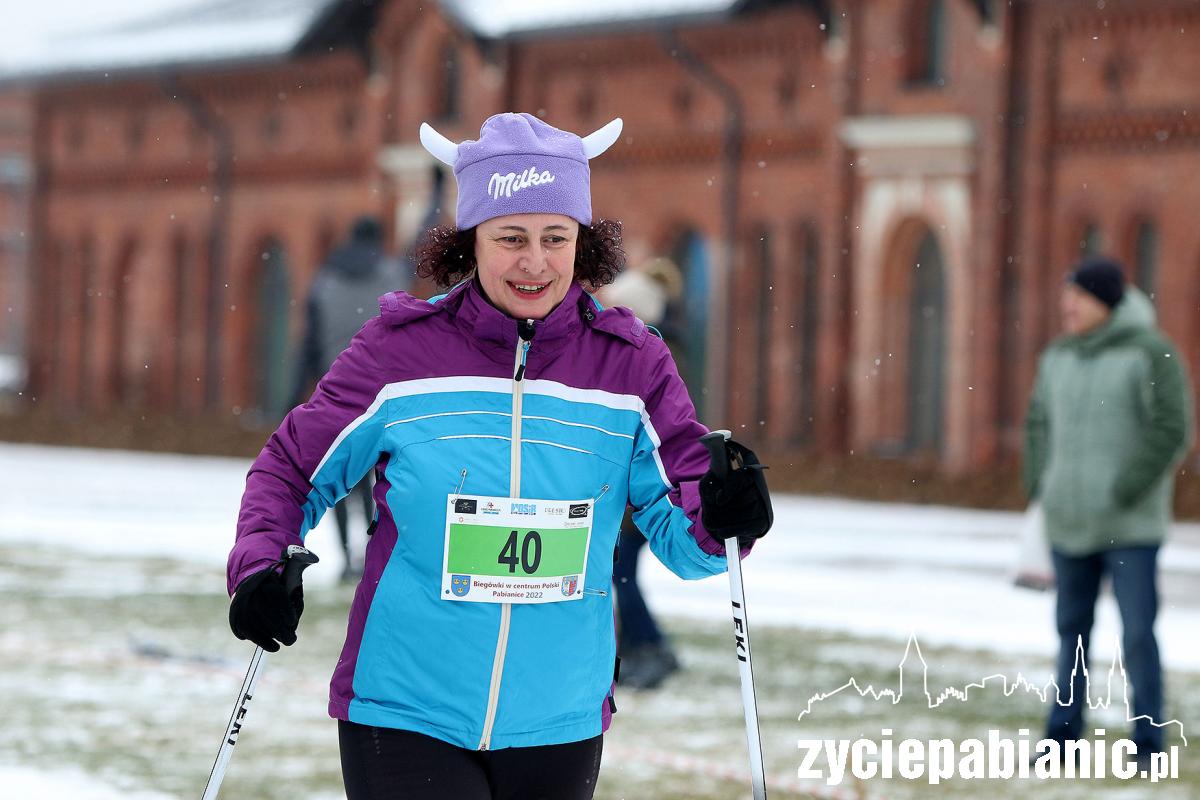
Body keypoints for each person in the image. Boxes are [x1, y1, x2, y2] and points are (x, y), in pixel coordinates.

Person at [225, 112, 773, 799]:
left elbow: (691, 540)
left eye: (555, 238)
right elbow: (291, 468)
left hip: (560, 716)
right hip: (406, 706)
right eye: (510, 237)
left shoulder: (632, 366)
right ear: (470, 241)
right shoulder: (400, 354)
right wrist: (260, 564)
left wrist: (730, 517)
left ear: (584, 243)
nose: (535, 261)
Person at [1024, 257, 1193, 765]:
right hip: (1068, 522)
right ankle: (1062, 738)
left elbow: (1172, 428)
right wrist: (1039, 485)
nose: (1066, 305)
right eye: (1065, 295)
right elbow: (1036, 423)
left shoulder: (1152, 353)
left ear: (1107, 301)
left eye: (1078, 295)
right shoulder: (1058, 356)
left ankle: (1147, 743)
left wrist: (1126, 488)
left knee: (1138, 633)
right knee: (1070, 635)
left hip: (1130, 525)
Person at [292, 216, 406, 581]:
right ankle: (370, 555)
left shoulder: (324, 280)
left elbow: (307, 345)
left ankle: (344, 556)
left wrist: (294, 398)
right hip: (383, 396)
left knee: (340, 479)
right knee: (378, 481)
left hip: (336, 393)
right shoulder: (392, 275)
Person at [600, 259, 686, 689]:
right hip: (631, 493)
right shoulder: (652, 353)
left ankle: (649, 646)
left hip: (637, 495)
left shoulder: (648, 360)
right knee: (620, 573)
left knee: (621, 574)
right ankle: (639, 646)